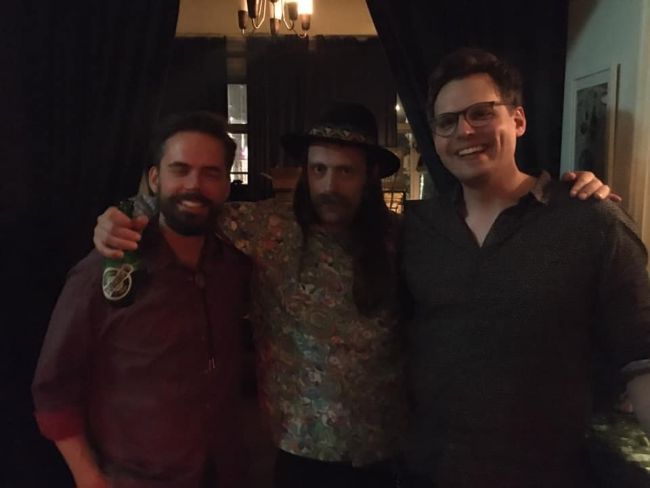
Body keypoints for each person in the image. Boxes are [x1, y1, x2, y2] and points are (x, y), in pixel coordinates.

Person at [92, 104, 612, 488]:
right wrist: (117, 217)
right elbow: (184, 202)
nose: (329, 185)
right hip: (298, 452)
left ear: (368, 178)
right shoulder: (265, 227)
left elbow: (487, 221)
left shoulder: (407, 236)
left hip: (388, 452)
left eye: (344, 172)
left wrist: (568, 193)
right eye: (318, 170)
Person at [400, 48, 650, 487]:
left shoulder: (592, 222)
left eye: (481, 113)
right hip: (432, 472)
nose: (464, 131)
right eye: (447, 121)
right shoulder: (417, 230)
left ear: (518, 120)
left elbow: (641, 356)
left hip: (548, 473)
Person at [32, 112, 252, 488]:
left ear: (226, 186)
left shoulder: (234, 267)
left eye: (210, 173)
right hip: (136, 477)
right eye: (180, 170)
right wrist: (88, 477)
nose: (194, 185)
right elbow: (54, 387)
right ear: (154, 179)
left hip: (224, 472)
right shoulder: (109, 269)